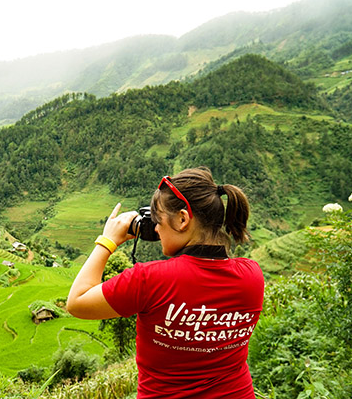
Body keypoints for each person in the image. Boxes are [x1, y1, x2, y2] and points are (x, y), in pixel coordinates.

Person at [67, 167, 264, 398]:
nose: (157, 229)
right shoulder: (252, 276)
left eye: (158, 221)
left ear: (183, 219)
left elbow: (77, 302)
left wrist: (107, 240)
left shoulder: (149, 280)